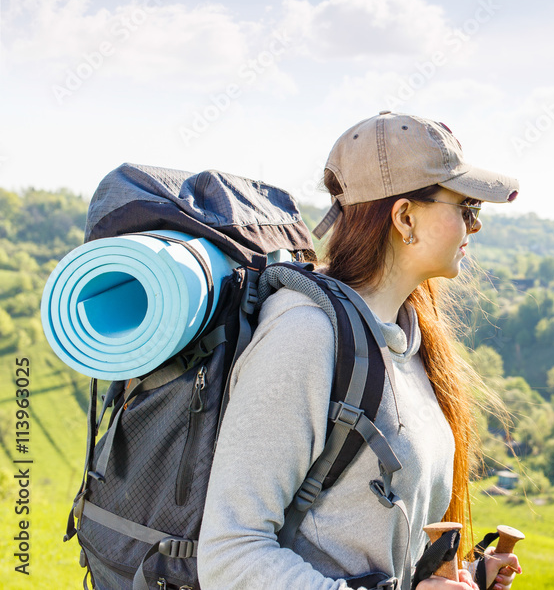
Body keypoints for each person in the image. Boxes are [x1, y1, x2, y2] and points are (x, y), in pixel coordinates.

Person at [198, 111, 523, 590]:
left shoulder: (407, 338)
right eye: (467, 207)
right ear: (405, 217)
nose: (474, 226)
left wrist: (465, 574)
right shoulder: (304, 337)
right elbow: (230, 556)